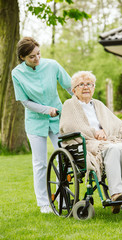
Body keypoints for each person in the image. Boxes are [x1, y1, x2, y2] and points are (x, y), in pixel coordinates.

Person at [60, 71, 122, 214]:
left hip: (106, 140)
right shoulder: (69, 105)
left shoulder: (97, 104)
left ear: (93, 88)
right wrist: (93, 132)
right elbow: (68, 126)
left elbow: (116, 123)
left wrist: (104, 130)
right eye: (82, 84)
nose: (86, 87)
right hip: (86, 143)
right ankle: (116, 194)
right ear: (74, 90)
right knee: (113, 149)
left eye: (89, 84)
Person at [12, 37, 72, 213]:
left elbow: (69, 86)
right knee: (40, 163)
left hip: (58, 118)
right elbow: (25, 101)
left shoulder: (52, 65)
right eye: (32, 56)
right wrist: (47, 110)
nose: (37, 58)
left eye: (38, 54)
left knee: (63, 158)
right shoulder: (17, 73)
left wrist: (79, 101)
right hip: (35, 122)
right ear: (22, 57)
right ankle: (44, 203)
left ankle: (61, 198)